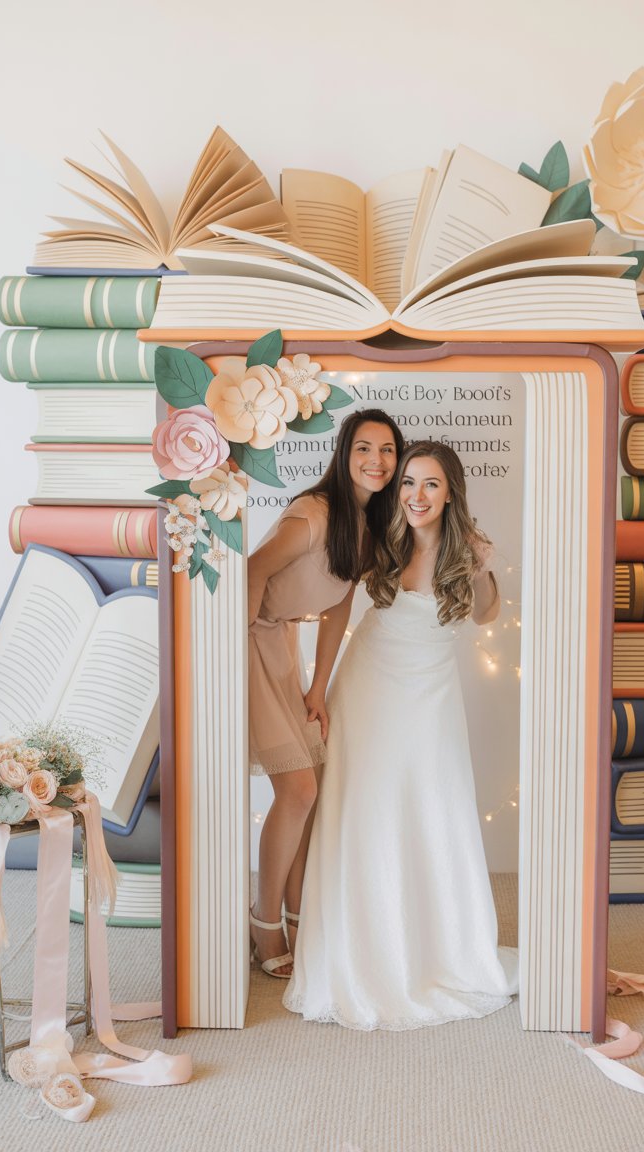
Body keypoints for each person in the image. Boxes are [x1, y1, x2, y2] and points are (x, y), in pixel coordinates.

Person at [284, 440, 517, 1028]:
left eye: (430, 484)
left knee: (432, 810)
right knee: (361, 810)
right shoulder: (377, 538)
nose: (416, 495)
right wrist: (318, 685)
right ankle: (357, 947)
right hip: (367, 687)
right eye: (409, 482)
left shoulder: (466, 550)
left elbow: (487, 613)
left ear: (450, 492)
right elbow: (338, 608)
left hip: (430, 699)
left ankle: (436, 949)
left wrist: (483, 564)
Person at [248, 409, 404, 978]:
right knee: (297, 787)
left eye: (387, 450)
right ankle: (264, 926)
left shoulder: (366, 526)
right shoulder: (312, 515)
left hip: (283, 645)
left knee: (312, 780)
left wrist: (317, 686)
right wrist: (237, 649)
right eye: (364, 448)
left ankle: (296, 914)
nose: (377, 461)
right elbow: (251, 572)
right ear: (343, 454)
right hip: (250, 640)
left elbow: (340, 602)